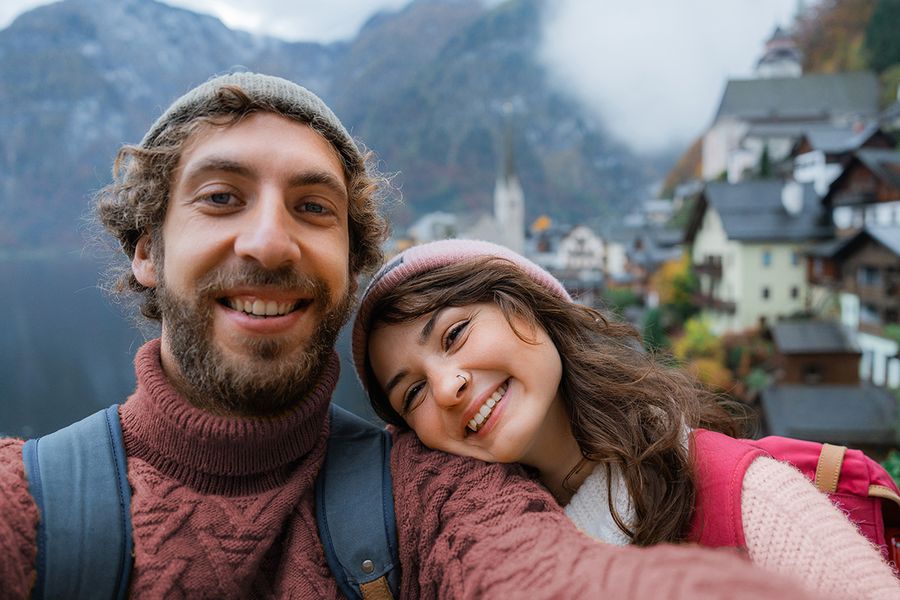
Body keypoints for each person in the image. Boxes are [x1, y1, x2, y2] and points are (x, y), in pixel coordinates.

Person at [0, 72, 826, 600]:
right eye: (220, 197)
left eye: (313, 207)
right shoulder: (31, 506)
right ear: (146, 248)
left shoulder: (429, 498)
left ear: (350, 264)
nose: (268, 241)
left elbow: (555, 575)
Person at [352, 238, 900, 599]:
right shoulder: (466, 549)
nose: (448, 388)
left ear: (529, 305)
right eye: (414, 391)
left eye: (455, 334)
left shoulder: (742, 495)